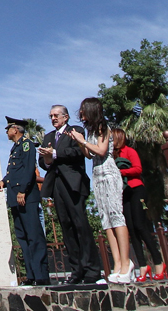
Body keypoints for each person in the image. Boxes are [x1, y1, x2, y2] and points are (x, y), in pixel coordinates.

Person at [68, 97, 131, 283]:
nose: (80, 113)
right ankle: (116, 265)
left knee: (116, 216)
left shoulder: (104, 127)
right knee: (106, 220)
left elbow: (102, 150)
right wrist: (80, 142)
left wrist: (84, 142)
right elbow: (89, 154)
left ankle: (127, 264)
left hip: (109, 173)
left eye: (83, 110)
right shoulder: (91, 131)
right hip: (97, 173)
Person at [38, 105, 100, 284]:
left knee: (80, 224)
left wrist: (55, 154)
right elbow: (43, 161)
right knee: (66, 227)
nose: (53, 118)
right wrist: (48, 159)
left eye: (56, 115)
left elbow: (77, 152)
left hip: (73, 183)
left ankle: (91, 270)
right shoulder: (49, 137)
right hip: (56, 184)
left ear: (65, 117)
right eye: (51, 116)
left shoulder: (76, 131)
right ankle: (76, 270)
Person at [0, 117, 50, 286]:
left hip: (26, 197)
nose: (6, 132)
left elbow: (28, 169)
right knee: (23, 237)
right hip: (15, 198)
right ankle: (31, 275)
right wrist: (4, 181)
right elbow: (15, 169)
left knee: (34, 236)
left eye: (8, 129)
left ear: (16, 130)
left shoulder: (27, 145)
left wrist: (23, 191)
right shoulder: (15, 148)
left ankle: (41, 275)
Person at [111, 128, 166, 281]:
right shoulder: (112, 155)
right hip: (124, 192)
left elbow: (138, 169)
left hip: (137, 190)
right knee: (131, 229)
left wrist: (121, 173)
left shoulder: (129, 151)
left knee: (140, 225)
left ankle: (158, 262)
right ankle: (142, 266)